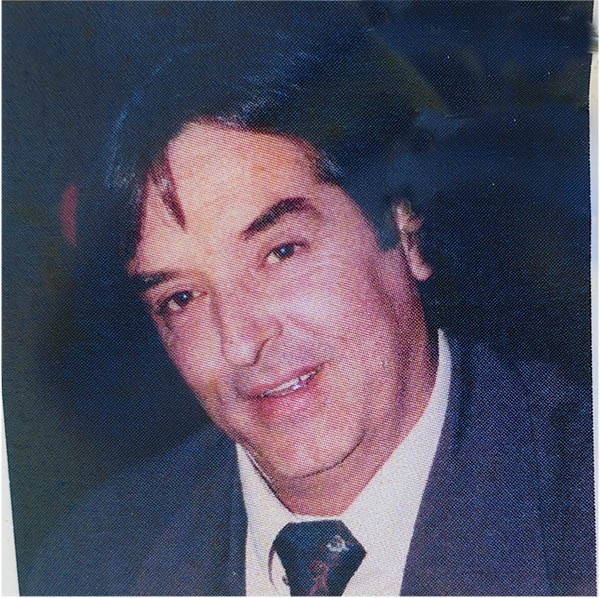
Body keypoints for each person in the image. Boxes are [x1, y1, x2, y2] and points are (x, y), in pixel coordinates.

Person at [25, 29, 594, 596]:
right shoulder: (95, 562)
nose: (240, 341)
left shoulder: (579, 507)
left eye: (281, 252)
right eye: (181, 297)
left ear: (405, 226)